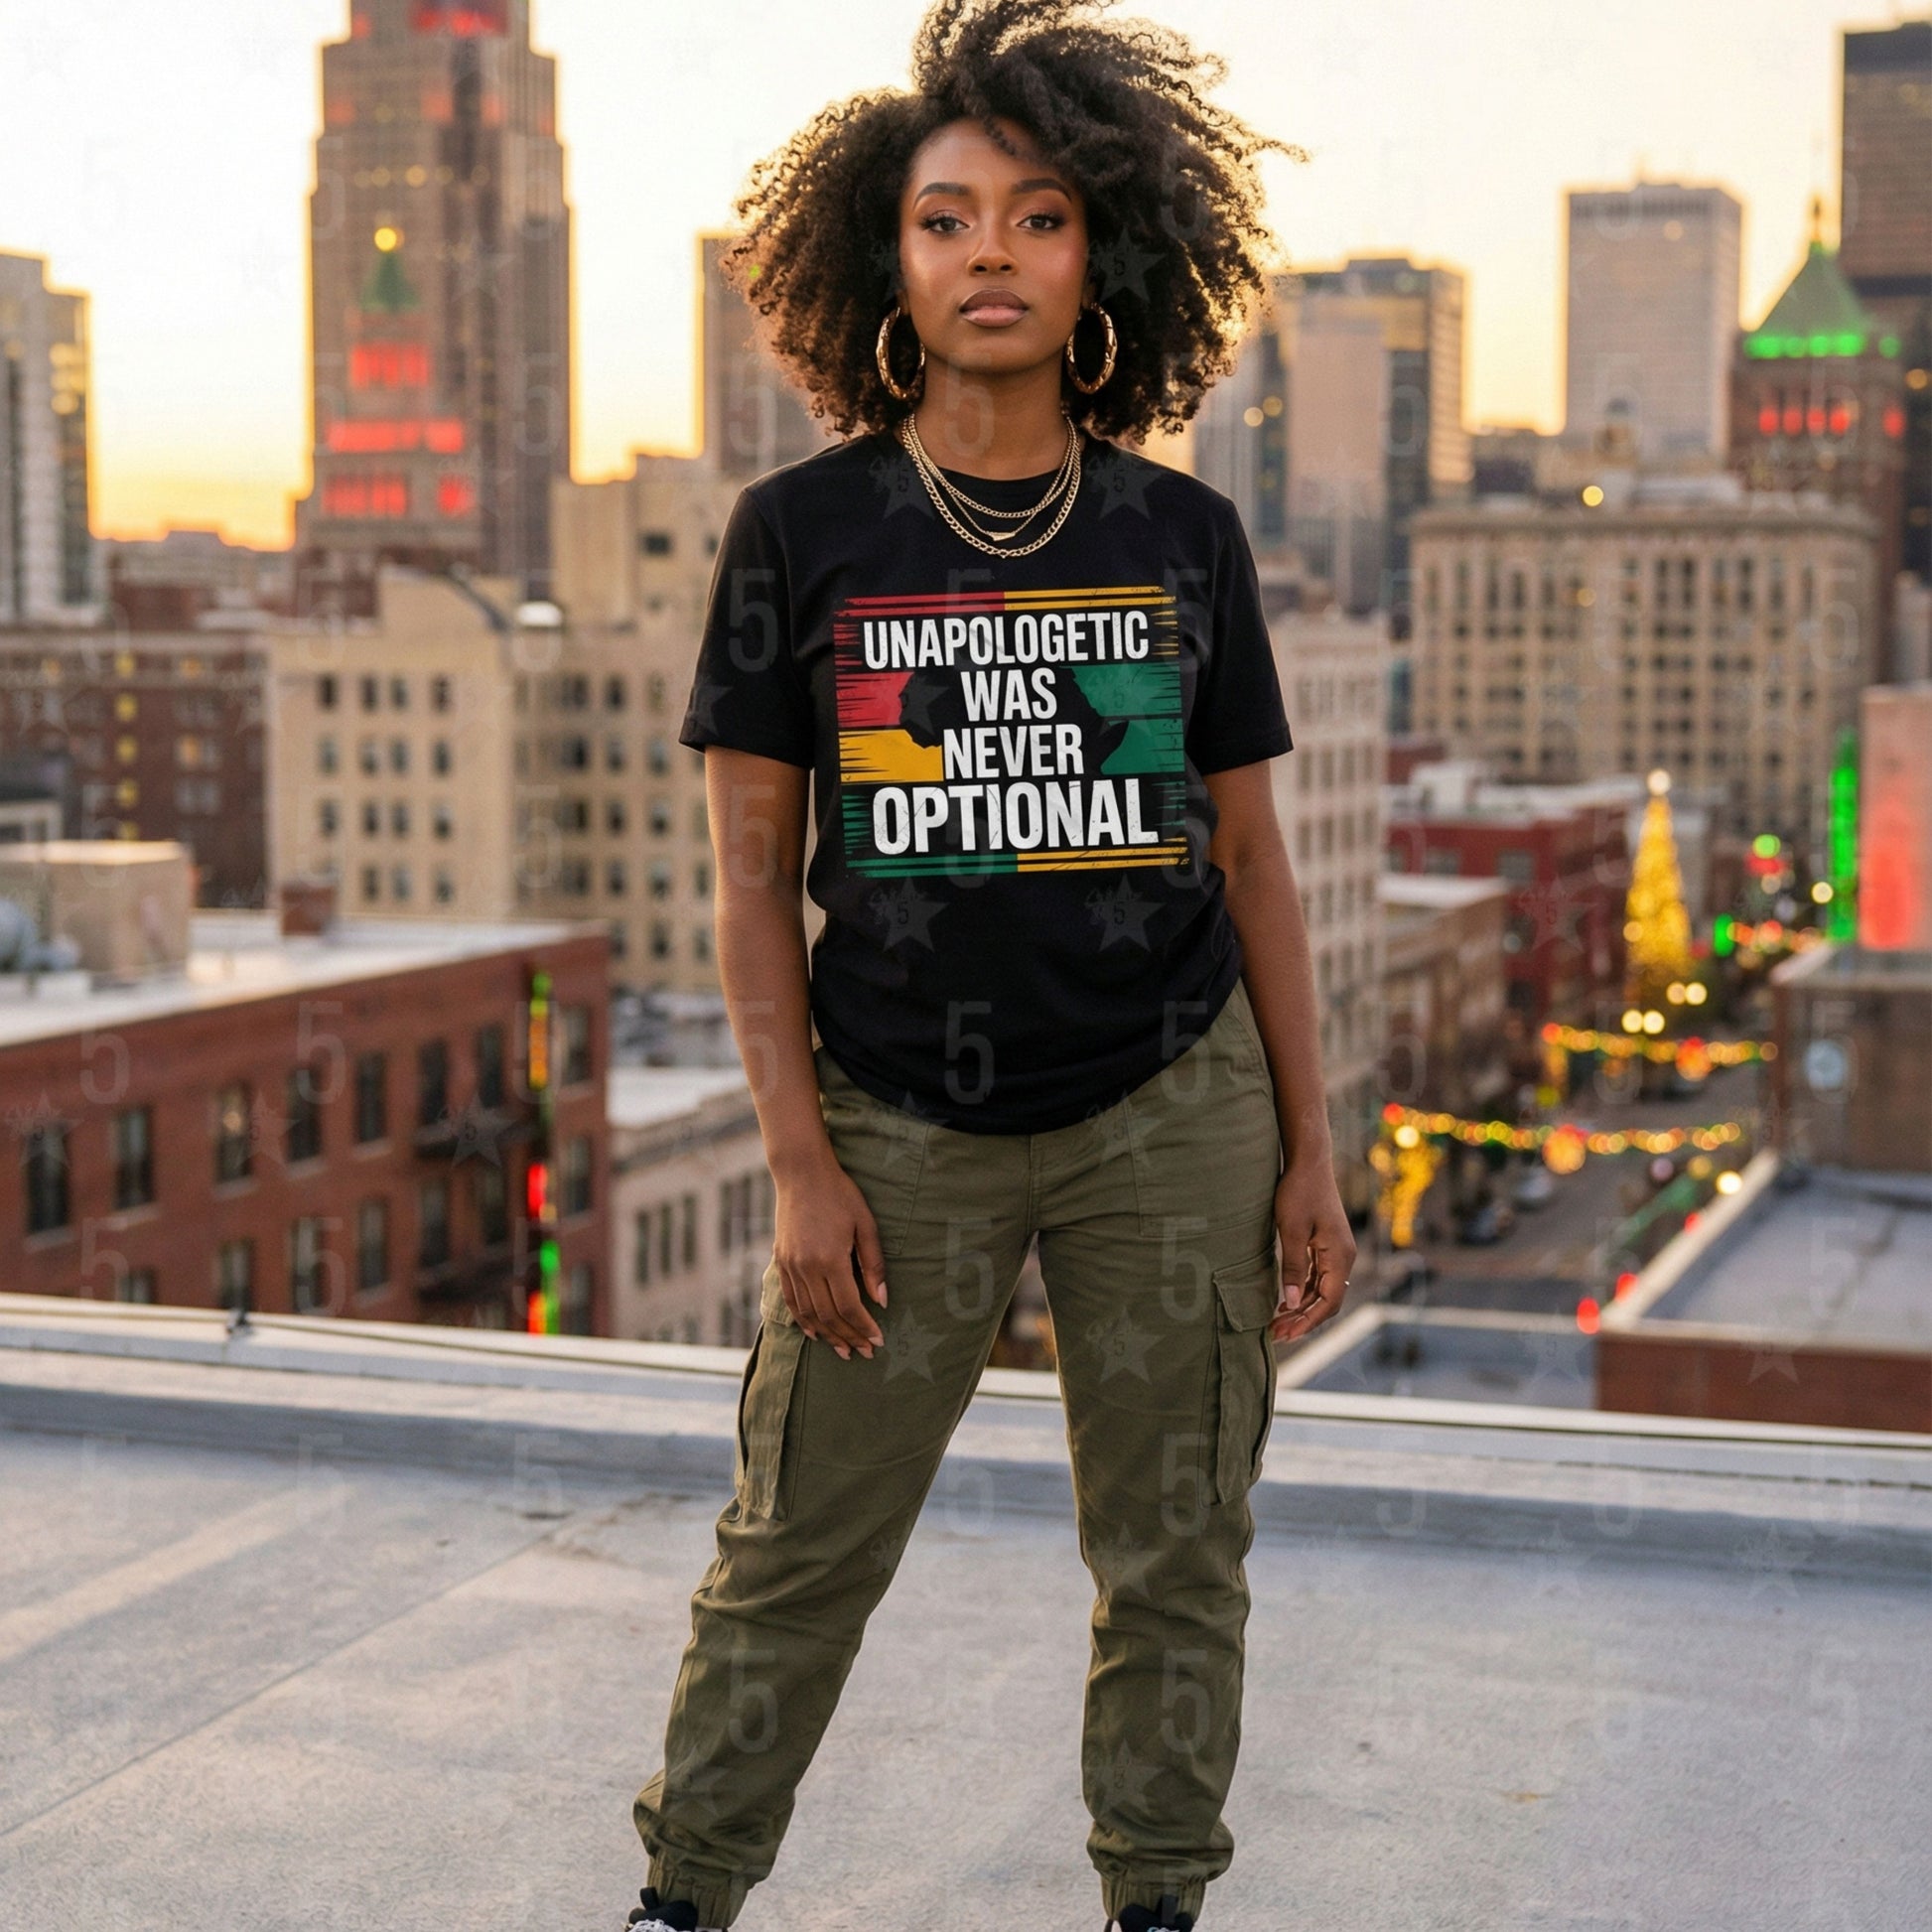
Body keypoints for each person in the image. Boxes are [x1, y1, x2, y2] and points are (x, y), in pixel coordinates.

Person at [626, 3, 1354, 1926]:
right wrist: (795, 1160)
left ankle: (1156, 1898)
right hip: (890, 1123)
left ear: (1104, 250)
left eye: (1035, 218)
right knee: (796, 1543)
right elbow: (752, 875)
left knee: (1178, 1550)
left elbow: (1259, 860)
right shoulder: (803, 532)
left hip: (1172, 1109)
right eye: (947, 220)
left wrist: (1309, 1143)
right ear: (887, 255)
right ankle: (685, 1893)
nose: (990, 257)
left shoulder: (1181, 533)